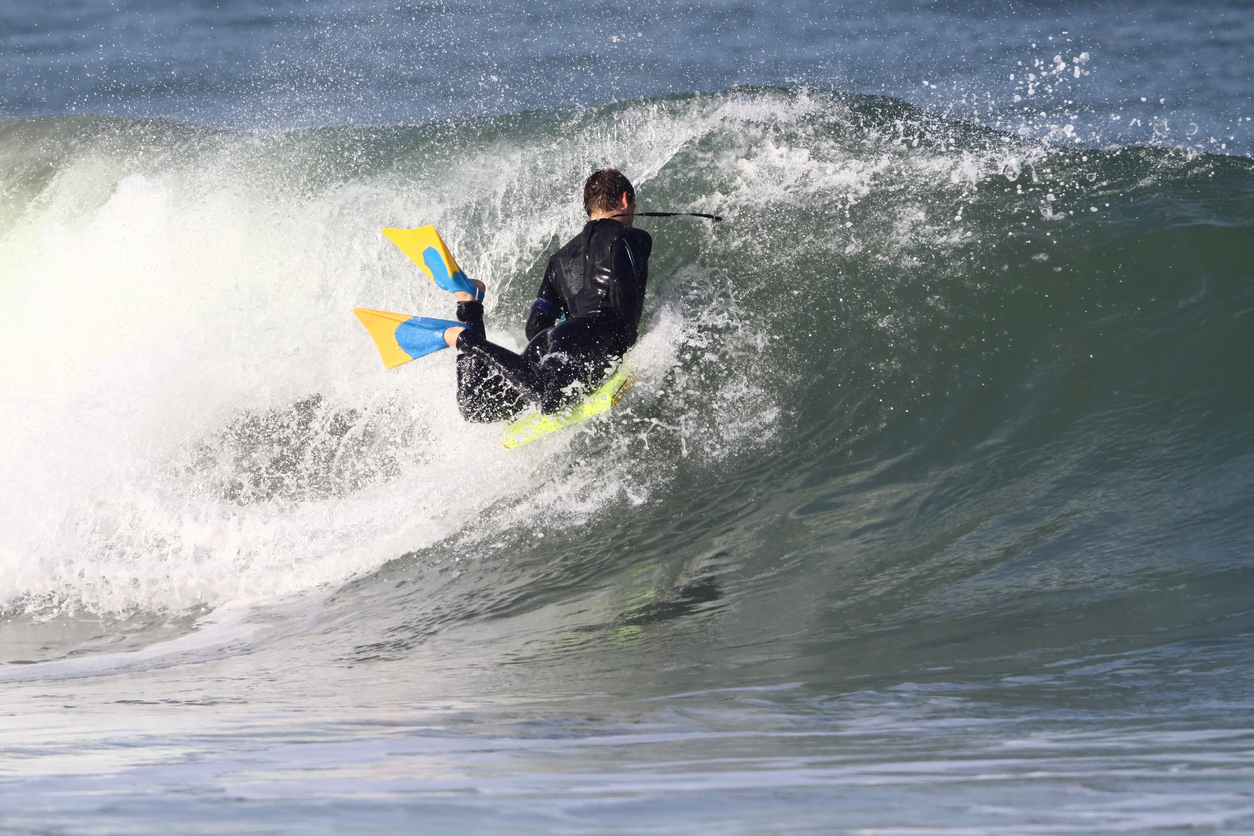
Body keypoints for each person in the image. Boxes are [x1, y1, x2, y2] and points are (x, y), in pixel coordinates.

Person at [441, 169, 653, 422]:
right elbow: (622, 291)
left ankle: (469, 308)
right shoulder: (631, 237)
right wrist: (629, 347)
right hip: (592, 334)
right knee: (550, 397)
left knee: (477, 407)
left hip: (553, 340)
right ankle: (465, 339)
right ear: (625, 199)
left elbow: (535, 327)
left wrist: (559, 350)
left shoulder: (559, 258)